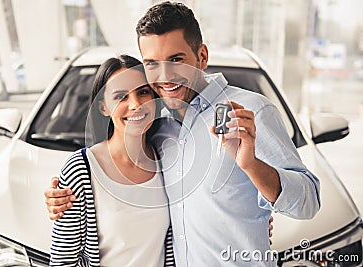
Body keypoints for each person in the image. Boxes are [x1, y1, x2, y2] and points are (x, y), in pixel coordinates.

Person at [45, 2, 320, 266]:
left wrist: (252, 166)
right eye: (152, 63)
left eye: (176, 60)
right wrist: (62, 201)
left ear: (202, 56)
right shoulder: (157, 127)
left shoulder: (251, 112)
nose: (164, 76)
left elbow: (307, 204)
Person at [49, 55, 174, 267]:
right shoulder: (82, 170)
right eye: (121, 96)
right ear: (103, 108)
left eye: (143, 92)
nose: (135, 104)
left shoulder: (168, 159)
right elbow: (62, 261)